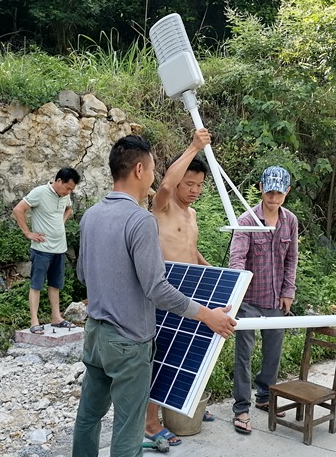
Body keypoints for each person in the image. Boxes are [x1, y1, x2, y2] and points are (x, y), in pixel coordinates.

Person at [72, 135, 236, 457]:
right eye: (152, 168)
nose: (153, 175)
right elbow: (157, 289)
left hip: (94, 335)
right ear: (138, 170)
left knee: (89, 416)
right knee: (129, 426)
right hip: (129, 341)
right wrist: (208, 314)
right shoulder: (141, 220)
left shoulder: (90, 216)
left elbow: (82, 275)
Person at [144, 128, 214, 445]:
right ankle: (150, 422)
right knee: (160, 359)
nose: (194, 190)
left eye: (199, 185)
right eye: (190, 183)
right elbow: (167, 184)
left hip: (189, 292)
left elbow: (189, 247)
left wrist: (206, 265)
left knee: (188, 352)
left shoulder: (193, 213)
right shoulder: (162, 207)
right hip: (163, 294)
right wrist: (193, 147)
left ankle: (186, 405)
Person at [230, 166, 298, 434]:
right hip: (248, 298)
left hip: (275, 299)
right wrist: (235, 290)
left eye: (279, 192)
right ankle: (241, 408)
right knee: (243, 354)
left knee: (274, 351)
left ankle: (264, 396)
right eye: (269, 191)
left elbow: (291, 258)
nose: (274, 197)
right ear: (261, 187)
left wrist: (288, 292)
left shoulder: (290, 220)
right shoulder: (246, 220)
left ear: (287, 192)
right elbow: (237, 258)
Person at [12, 167, 81, 334]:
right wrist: (28, 233)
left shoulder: (65, 196)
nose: (68, 192)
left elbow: (68, 208)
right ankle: (34, 321)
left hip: (59, 247)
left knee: (55, 284)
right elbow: (18, 209)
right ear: (58, 181)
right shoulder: (39, 192)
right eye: (67, 188)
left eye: (71, 189)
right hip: (42, 248)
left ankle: (56, 318)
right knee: (36, 285)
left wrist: (60, 223)